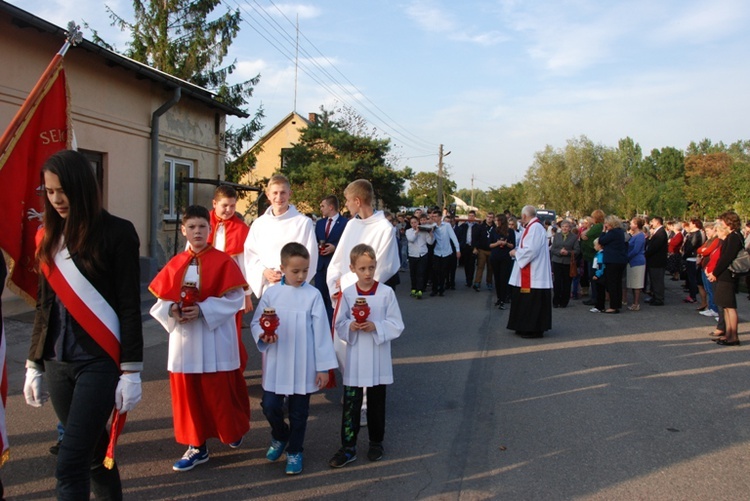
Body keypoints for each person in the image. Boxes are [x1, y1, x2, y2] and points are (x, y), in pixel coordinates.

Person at [27, 149, 143, 499]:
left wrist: (131, 370)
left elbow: (128, 305)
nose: (57, 198)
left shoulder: (119, 233)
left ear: (84, 187)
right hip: (56, 362)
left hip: (99, 361)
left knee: (70, 460)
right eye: (49, 191)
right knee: (93, 454)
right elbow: (45, 305)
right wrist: (33, 363)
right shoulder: (48, 236)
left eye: (63, 189)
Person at [149, 205, 250, 472]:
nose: (197, 232)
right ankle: (197, 446)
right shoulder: (175, 263)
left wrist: (204, 309)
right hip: (186, 341)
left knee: (219, 392)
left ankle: (231, 430)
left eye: (202, 227)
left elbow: (236, 298)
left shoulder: (224, 261)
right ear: (183, 230)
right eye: (192, 227)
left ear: (210, 230)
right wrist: (171, 309)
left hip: (214, 338)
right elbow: (161, 301)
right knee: (189, 395)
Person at [251, 243, 338, 475]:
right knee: (270, 406)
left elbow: (321, 333)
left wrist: (323, 368)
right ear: (283, 268)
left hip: (304, 363)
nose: (301, 276)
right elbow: (256, 322)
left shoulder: (313, 295)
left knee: (299, 413)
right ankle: (280, 435)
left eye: (305, 271)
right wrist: (263, 335)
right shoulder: (272, 294)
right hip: (278, 360)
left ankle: (295, 450)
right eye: (295, 271)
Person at [328, 244, 404, 468]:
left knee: (377, 402)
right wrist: (351, 326)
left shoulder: (386, 293)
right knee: (351, 403)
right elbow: (339, 324)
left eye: (371, 267)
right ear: (352, 269)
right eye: (362, 268)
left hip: (377, 356)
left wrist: (377, 327)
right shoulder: (349, 294)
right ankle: (348, 446)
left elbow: (397, 324)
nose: (368, 273)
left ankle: (376, 442)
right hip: (356, 357)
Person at [243, 174, 318, 299]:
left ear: (290, 193)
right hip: (269, 286)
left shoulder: (303, 223)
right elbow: (250, 255)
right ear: (268, 195)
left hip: (295, 288)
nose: (279, 197)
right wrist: (263, 272)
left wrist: (292, 277)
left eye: (283, 192)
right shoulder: (259, 224)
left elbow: (311, 256)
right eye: (275, 193)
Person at [207, 185, 251, 370]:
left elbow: (245, 264)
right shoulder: (203, 221)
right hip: (208, 284)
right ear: (215, 203)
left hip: (232, 286)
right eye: (225, 205)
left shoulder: (241, 229)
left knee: (232, 332)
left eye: (232, 206)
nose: (228, 210)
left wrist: (247, 294)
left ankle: (233, 369)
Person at [507, 206, 553, 338]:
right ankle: (522, 326)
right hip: (531, 271)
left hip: (534, 273)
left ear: (525, 216)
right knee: (524, 300)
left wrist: (516, 252)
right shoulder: (533, 227)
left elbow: (531, 250)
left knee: (531, 302)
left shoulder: (535, 228)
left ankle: (533, 328)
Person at [706, 212, 744, 346]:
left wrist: (715, 272)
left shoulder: (734, 237)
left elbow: (726, 257)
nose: (721, 224)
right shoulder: (734, 236)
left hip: (727, 275)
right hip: (725, 274)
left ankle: (733, 336)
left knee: (730, 306)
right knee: (726, 306)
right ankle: (728, 334)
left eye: (723, 221)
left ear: (729, 222)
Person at [314, 195, 348, 323]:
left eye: (323, 206)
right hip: (321, 266)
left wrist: (335, 247)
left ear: (331, 206)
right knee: (320, 297)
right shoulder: (320, 223)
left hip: (336, 266)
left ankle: (332, 325)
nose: (321, 208)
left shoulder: (346, 223)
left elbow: (348, 243)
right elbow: (315, 240)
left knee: (333, 298)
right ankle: (320, 325)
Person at [597, 215, 628, 313]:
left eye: (606, 223)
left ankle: (613, 306)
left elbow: (601, 240)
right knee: (617, 283)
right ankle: (617, 304)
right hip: (620, 260)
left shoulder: (612, 232)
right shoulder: (620, 232)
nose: (605, 225)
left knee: (612, 284)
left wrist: (603, 231)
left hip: (613, 261)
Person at [429, 210, 461, 297]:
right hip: (437, 251)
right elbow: (431, 242)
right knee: (435, 271)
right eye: (433, 216)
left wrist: (458, 250)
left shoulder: (447, 225)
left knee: (443, 272)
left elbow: (453, 237)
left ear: (440, 217)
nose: (434, 218)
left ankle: (441, 289)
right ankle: (434, 289)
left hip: (446, 252)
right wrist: (431, 234)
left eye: (435, 216)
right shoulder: (433, 226)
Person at [549, 219, 579, 309]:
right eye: (563, 227)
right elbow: (553, 249)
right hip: (557, 261)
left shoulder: (574, 237)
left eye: (566, 227)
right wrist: (559, 252)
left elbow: (577, 250)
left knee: (566, 282)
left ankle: (564, 301)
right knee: (557, 281)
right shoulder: (557, 236)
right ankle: (555, 301)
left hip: (567, 262)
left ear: (569, 228)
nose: (564, 228)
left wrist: (568, 253)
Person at [489, 214, 515, 310]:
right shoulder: (493, 231)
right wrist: (497, 243)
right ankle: (499, 298)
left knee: (504, 278)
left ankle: (503, 299)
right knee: (497, 278)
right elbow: (490, 245)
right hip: (495, 257)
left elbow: (513, 245)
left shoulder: (510, 231)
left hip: (505, 257)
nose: (496, 222)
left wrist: (506, 243)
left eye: (497, 220)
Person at [405, 215, 433, 299]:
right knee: (413, 273)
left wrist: (431, 234)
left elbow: (430, 242)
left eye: (415, 222)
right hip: (412, 255)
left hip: (422, 254)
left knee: (420, 273)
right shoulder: (408, 231)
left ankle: (420, 290)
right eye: (412, 223)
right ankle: (413, 289)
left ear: (418, 222)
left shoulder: (424, 231)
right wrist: (416, 232)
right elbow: (411, 239)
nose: (414, 224)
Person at [581, 210, 604, 306]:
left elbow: (586, 235)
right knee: (592, 276)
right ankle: (594, 297)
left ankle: (595, 298)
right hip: (590, 254)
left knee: (593, 276)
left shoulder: (598, 226)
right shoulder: (597, 226)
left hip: (593, 254)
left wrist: (584, 236)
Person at [644, 216, 668, 306]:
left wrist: (646, 253)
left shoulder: (661, 233)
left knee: (657, 280)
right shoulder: (657, 232)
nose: (651, 223)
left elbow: (655, 247)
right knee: (654, 280)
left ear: (657, 222)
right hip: (654, 260)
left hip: (657, 261)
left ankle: (659, 298)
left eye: (653, 222)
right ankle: (654, 296)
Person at [625, 217, 646, 311]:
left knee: (637, 283)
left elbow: (636, 250)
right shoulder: (635, 235)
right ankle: (634, 302)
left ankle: (636, 303)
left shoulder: (640, 236)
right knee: (633, 283)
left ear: (636, 225)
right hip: (632, 261)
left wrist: (627, 256)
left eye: (632, 223)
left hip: (637, 261)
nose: (630, 225)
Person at [456, 211, 479, 286]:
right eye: (469, 216)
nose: (470, 217)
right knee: (466, 263)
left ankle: (470, 280)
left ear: (474, 217)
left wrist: (476, 247)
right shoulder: (464, 226)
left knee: (471, 264)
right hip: (465, 246)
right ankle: (467, 279)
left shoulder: (477, 226)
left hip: (473, 247)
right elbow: (460, 235)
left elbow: (479, 238)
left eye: (472, 216)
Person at [472, 212, 494, 291]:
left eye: (491, 217)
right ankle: (477, 283)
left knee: (490, 268)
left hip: (491, 250)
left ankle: (489, 282)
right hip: (482, 249)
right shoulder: (480, 226)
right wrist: (475, 248)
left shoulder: (495, 227)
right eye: (488, 217)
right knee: (480, 266)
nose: (489, 218)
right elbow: (476, 238)